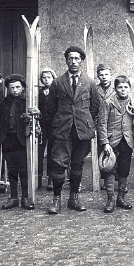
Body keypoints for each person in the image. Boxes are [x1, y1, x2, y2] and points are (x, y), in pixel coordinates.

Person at [46, 46, 100, 214]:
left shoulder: (90, 82)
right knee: (59, 164)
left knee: (77, 164)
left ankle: (73, 198)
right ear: (66, 61)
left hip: (82, 130)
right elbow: (50, 108)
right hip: (63, 130)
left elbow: (95, 108)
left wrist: (83, 120)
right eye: (71, 58)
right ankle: (56, 199)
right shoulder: (57, 82)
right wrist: (61, 121)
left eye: (77, 59)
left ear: (81, 61)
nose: (74, 62)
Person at [0, 74, 39, 210]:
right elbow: (0, 118)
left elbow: (39, 116)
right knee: (12, 170)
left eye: (18, 87)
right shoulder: (5, 102)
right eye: (11, 87)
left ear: (23, 87)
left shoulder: (28, 101)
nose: (15, 90)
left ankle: (25, 198)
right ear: (7, 88)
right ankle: (13, 197)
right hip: (8, 139)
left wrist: (35, 114)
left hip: (23, 139)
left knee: (24, 170)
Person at [97, 75, 134, 213]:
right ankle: (110, 199)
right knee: (110, 168)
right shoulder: (108, 102)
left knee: (124, 169)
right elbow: (101, 124)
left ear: (130, 88)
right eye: (120, 87)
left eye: (126, 87)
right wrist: (105, 143)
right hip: (112, 141)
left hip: (128, 140)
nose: (123, 90)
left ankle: (121, 198)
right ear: (115, 88)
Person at [38, 68, 57, 190]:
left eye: (48, 77)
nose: (46, 79)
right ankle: (38, 178)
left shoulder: (57, 92)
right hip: (41, 125)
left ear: (53, 79)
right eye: (44, 77)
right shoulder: (37, 93)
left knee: (52, 152)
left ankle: (51, 178)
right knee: (39, 152)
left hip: (54, 125)